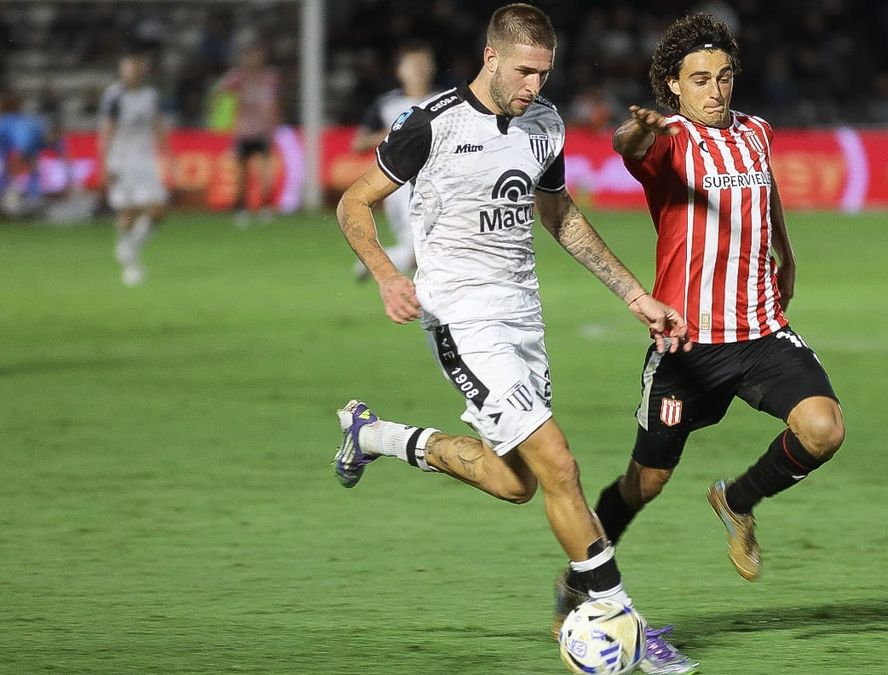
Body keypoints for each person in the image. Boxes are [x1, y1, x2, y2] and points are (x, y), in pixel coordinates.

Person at [331, 5, 697, 674]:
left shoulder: (544, 123)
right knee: (560, 463)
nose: (534, 84)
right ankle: (625, 622)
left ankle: (375, 434)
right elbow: (352, 201)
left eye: (544, 71)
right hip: (461, 322)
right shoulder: (431, 124)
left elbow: (560, 215)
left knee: (517, 481)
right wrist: (387, 274)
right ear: (491, 57)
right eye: (524, 70)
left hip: (523, 322)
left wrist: (635, 294)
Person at [555, 9, 846, 613]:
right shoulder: (667, 142)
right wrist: (638, 131)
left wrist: (785, 253)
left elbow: (766, 194)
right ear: (673, 87)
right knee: (647, 482)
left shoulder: (757, 131)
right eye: (700, 79)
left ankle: (737, 500)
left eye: (723, 76)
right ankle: (581, 580)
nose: (715, 90)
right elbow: (626, 146)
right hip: (687, 345)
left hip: (761, 331)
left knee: (824, 429)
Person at [349, 42, 436, 280]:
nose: (419, 69)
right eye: (413, 64)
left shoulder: (442, 101)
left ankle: (376, 262)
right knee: (421, 253)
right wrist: (394, 134)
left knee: (430, 252)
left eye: (424, 63)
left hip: (437, 185)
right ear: (400, 70)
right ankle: (375, 261)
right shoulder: (386, 104)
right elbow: (358, 143)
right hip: (399, 188)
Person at [98, 51, 170, 286]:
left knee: (158, 210)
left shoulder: (151, 95)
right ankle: (130, 262)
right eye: (127, 67)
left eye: (135, 67)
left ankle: (129, 248)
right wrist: (104, 164)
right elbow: (106, 132)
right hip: (121, 160)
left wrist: (169, 156)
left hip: (146, 160)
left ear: (141, 68)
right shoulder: (114, 97)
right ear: (122, 69)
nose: (131, 71)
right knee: (128, 212)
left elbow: (158, 126)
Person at [215, 41, 279, 226]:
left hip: (263, 131)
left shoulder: (269, 76)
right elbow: (220, 89)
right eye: (252, 55)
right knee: (243, 172)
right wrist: (224, 112)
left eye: (258, 55)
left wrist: (273, 126)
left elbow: (274, 103)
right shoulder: (239, 76)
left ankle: (266, 206)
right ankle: (241, 208)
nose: (255, 59)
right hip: (244, 131)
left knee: (265, 171)